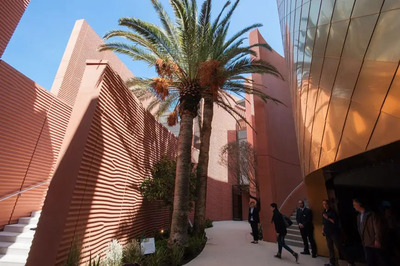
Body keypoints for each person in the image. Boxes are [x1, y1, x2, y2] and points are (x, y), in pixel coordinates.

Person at [353, 199, 384, 266]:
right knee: (370, 260)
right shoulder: (358, 216)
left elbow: (377, 228)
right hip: (365, 242)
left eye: (355, 205)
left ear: (359, 204)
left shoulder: (371, 214)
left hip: (373, 242)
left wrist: (377, 239)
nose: (354, 206)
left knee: (379, 260)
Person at [322, 199, 341, 266]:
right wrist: (323, 230)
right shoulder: (324, 212)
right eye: (323, 204)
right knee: (330, 248)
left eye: (326, 204)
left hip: (334, 232)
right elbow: (323, 223)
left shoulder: (332, 212)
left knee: (339, 246)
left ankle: (350, 261)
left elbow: (334, 221)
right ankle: (332, 262)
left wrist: (327, 218)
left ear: (328, 204)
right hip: (327, 232)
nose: (325, 205)